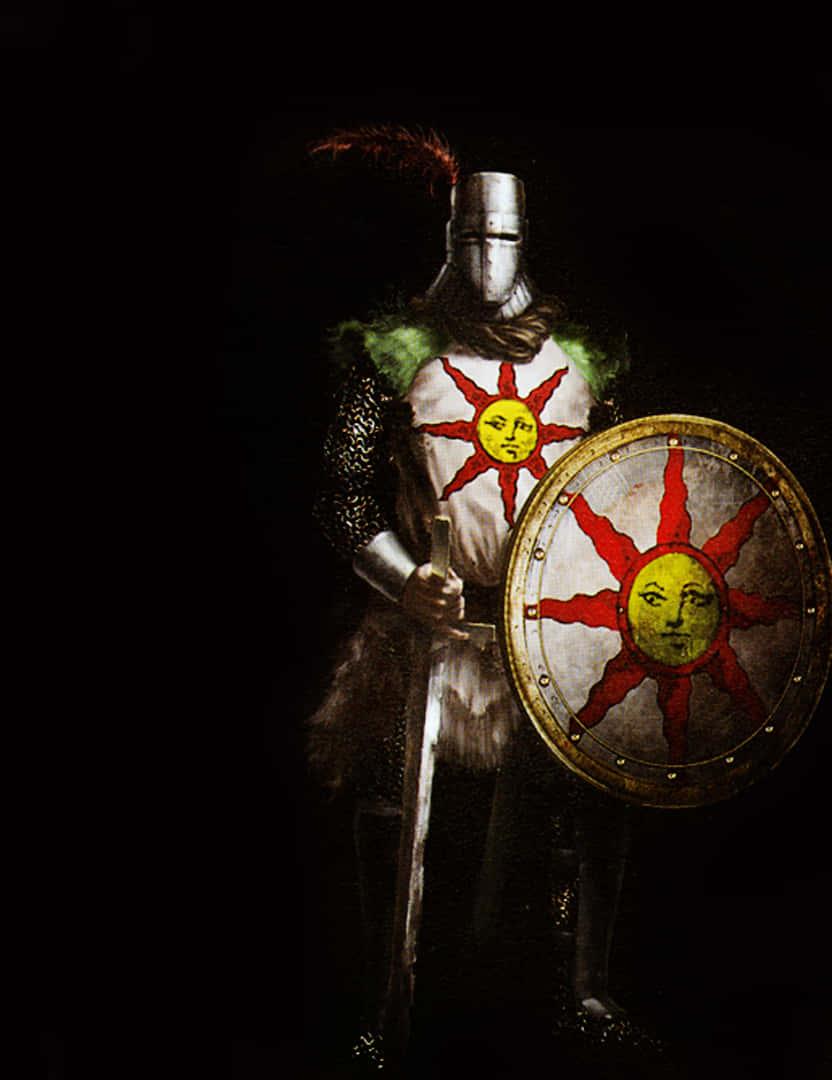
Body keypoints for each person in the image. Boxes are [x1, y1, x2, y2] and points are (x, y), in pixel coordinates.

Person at [305, 135, 653, 1065]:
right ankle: (384, 1006)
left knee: (584, 815)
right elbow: (344, 493)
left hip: (558, 632)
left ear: (523, 238)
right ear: (452, 240)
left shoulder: (581, 367)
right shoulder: (397, 360)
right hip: (426, 628)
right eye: (473, 239)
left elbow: (630, 489)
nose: (489, 258)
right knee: (391, 810)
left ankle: (583, 993)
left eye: (502, 238)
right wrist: (404, 576)